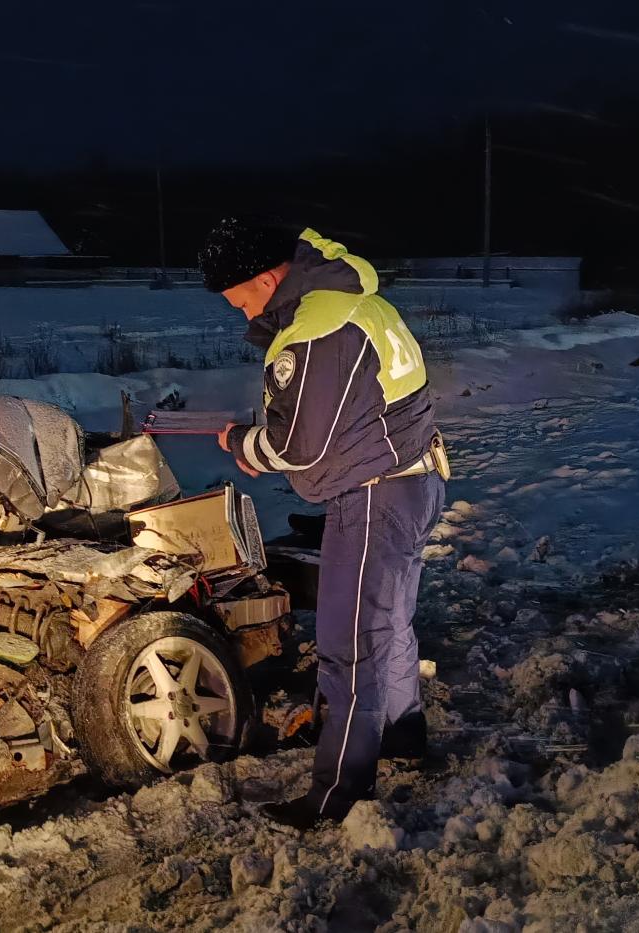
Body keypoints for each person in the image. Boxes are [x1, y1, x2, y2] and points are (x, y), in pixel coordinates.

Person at [199, 218, 449, 828]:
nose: (242, 316)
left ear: (265, 278)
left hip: (373, 498)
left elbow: (299, 445)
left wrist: (243, 444)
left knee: (349, 647)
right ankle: (404, 732)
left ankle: (336, 793)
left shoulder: (316, 328)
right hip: (416, 477)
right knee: (389, 621)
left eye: (241, 302)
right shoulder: (357, 300)